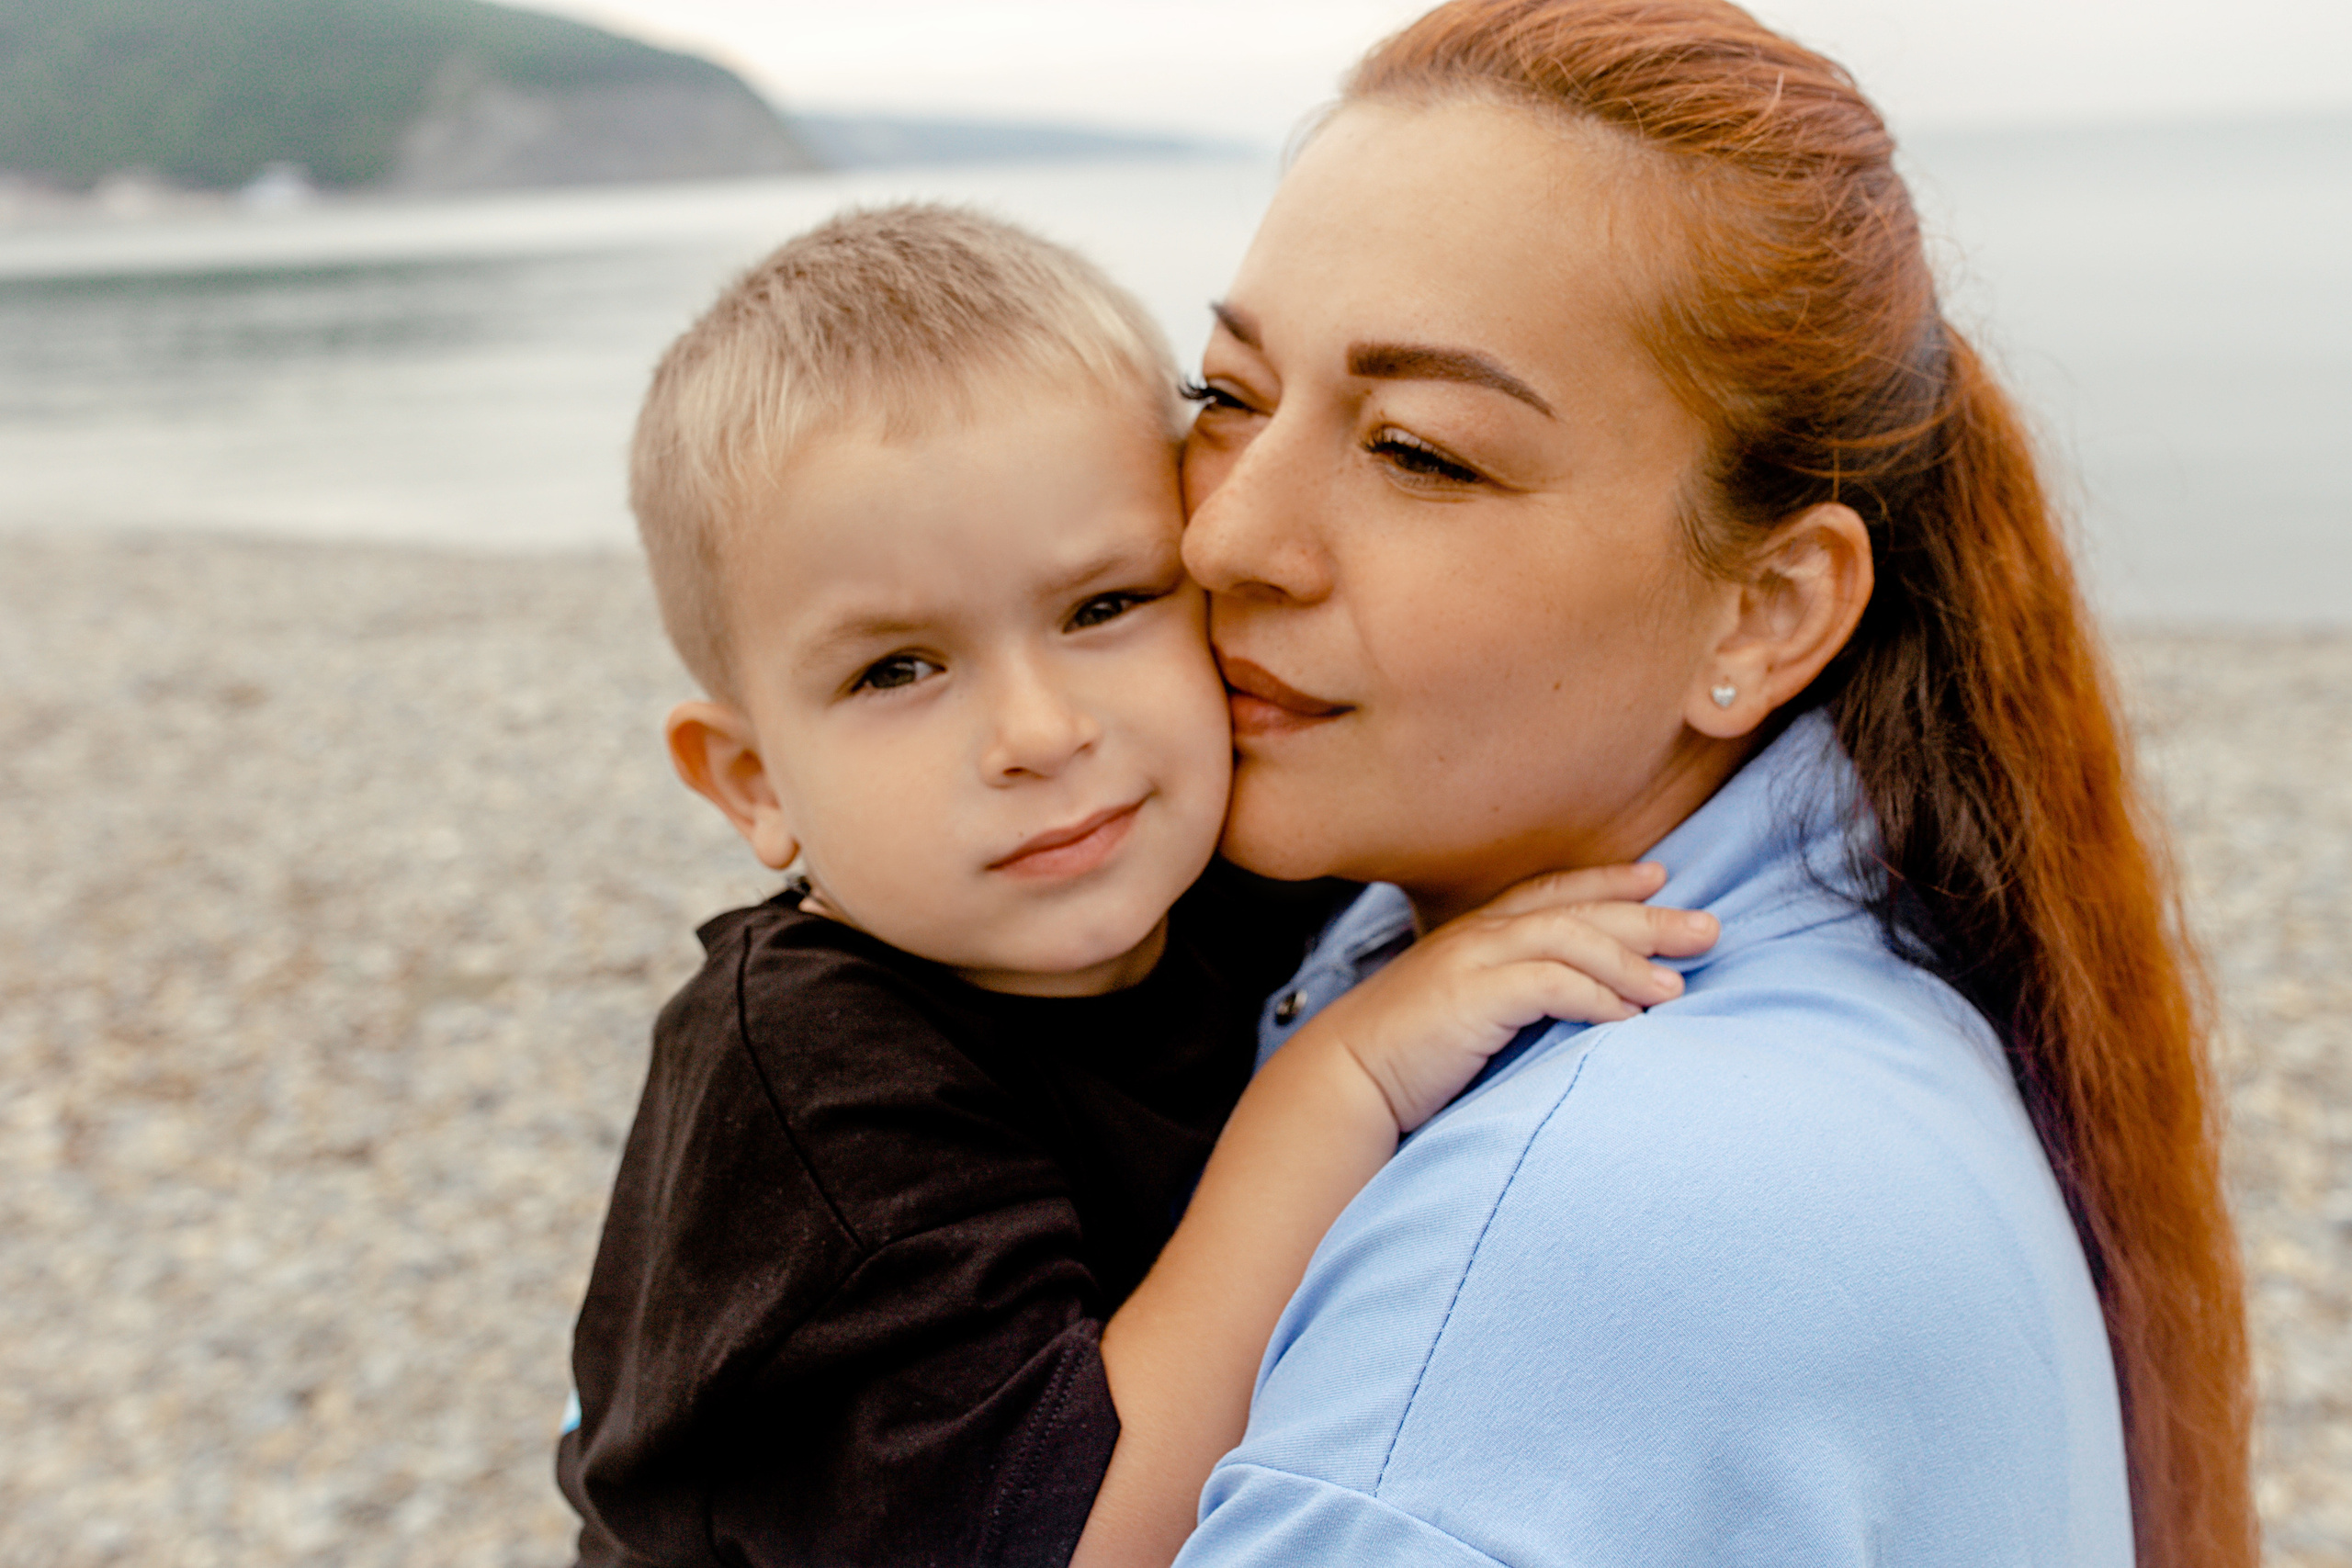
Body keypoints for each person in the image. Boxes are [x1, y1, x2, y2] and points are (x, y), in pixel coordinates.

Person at [1148, 3, 2257, 1565]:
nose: (1227, 540)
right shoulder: (1851, 998)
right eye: (1228, 398)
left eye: (1421, 452)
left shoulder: (1600, 1229)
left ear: (1767, 609)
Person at [553, 204, 1715, 1567]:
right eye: (897, 670)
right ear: (751, 779)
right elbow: (1086, 1538)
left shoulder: (1225, 871)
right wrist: (1336, 1086)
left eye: (1105, 606)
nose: (1042, 735)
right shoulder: (810, 1085)